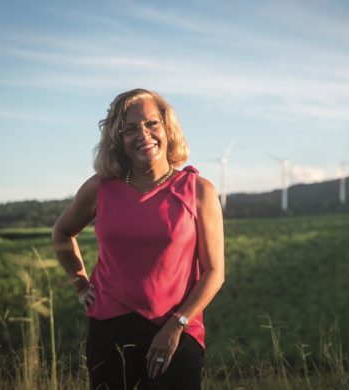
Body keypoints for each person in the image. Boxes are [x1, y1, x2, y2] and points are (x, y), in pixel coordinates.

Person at [52, 88, 225, 389]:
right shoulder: (99, 189)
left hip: (177, 331)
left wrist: (177, 324)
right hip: (109, 329)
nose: (143, 135)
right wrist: (80, 284)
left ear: (167, 127)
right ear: (117, 140)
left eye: (151, 124)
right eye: (129, 129)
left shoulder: (198, 190)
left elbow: (214, 272)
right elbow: (62, 233)